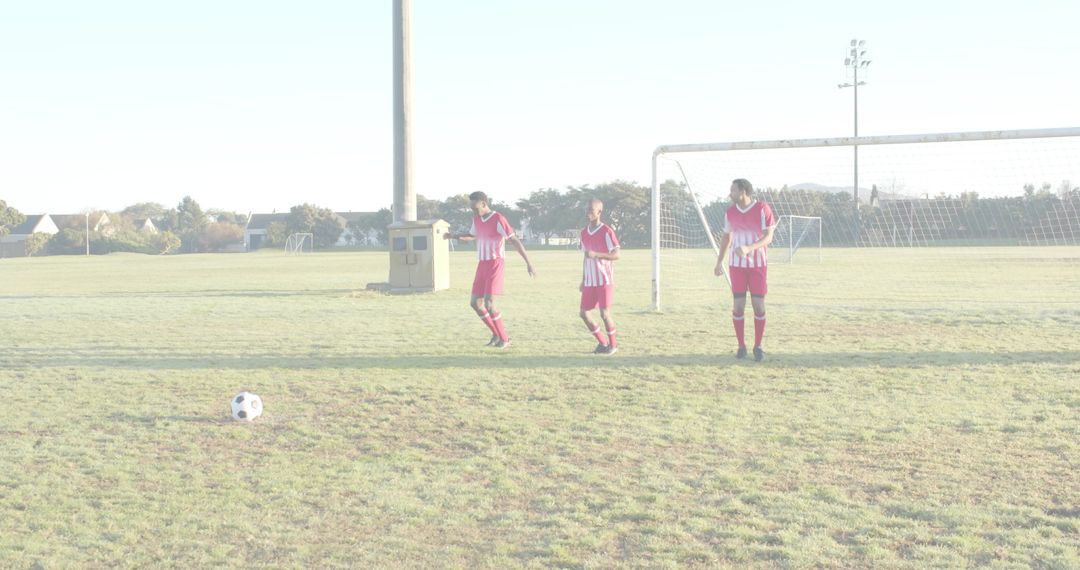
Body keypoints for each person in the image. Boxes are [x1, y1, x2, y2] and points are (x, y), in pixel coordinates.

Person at [445, 191, 535, 348]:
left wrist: (528, 262)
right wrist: (454, 236)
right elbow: (471, 235)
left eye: (475, 208)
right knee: (475, 303)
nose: (473, 211)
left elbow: (513, 239)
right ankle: (496, 334)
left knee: (489, 304)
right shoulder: (476, 219)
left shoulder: (498, 218)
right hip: (482, 264)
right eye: (471, 208)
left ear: (483, 204)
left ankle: (504, 339)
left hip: (495, 263)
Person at [714, 178, 776, 361]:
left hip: (758, 265)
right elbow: (726, 238)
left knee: (759, 306)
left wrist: (749, 248)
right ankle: (741, 346)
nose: (730, 194)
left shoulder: (762, 208)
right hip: (737, 267)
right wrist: (719, 262)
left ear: (743, 191)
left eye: (733, 190)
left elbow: (769, 237)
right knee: (738, 306)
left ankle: (758, 346)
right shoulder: (730, 212)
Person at [578, 199, 621, 354]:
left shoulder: (607, 231)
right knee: (584, 313)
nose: (588, 212)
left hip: (604, 280)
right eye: (586, 209)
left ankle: (613, 345)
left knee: (604, 314)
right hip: (590, 281)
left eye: (591, 209)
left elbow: (617, 254)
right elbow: (586, 257)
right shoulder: (583, 233)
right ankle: (603, 343)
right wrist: (583, 279)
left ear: (599, 212)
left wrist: (597, 254)